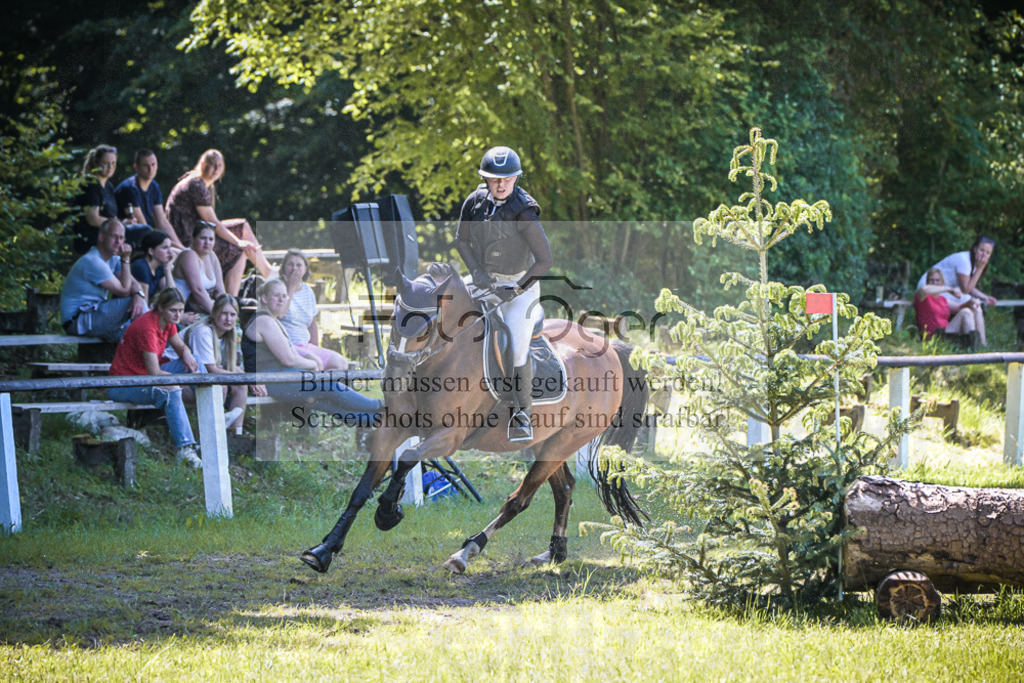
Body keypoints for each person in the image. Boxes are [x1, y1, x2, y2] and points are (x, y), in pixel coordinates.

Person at [453, 146, 553, 442]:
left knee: (516, 346)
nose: (500, 184)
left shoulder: (524, 211)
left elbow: (545, 261)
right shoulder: (474, 202)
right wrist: (476, 273)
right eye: (494, 179)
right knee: (447, 313)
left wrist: (517, 288)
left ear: (516, 178)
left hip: (519, 286)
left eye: (507, 179)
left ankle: (521, 414)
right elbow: (461, 241)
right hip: (484, 281)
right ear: (485, 179)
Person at [242, 279, 382, 425]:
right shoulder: (264, 321)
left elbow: (291, 352)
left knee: (321, 402)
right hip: (270, 380)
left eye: (284, 296)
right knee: (329, 385)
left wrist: (309, 356)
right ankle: (379, 405)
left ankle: (377, 420)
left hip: (280, 376)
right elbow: (288, 359)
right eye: (276, 295)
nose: (281, 299)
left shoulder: (272, 320)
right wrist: (312, 364)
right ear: (264, 298)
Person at [107, 288, 201, 468]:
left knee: (198, 364)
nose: (178, 315)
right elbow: (155, 373)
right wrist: (182, 380)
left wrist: (187, 354)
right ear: (160, 308)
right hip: (125, 383)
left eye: (181, 310)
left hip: (143, 377)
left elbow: (180, 347)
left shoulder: (168, 322)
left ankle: (212, 419)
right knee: (172, 388)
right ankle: (185, 448)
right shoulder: (147, 327)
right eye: (173, 310)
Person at [165, 149, 273, 296]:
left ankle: (267, 271)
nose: (216, 169)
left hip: (197, 232)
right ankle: (231, 300)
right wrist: (238, 242)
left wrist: (239, 241)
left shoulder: (200, 183)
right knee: (239, 250)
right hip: (187, 238)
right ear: (202, 164)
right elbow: (212, 222)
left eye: (219, 166)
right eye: (212, 165)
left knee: (242, 226)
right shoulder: (196, 184)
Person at [162, 293, 265, 432]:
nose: (228, 319)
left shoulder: (231, 333)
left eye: (233, 315)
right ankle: (212, 434)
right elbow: (210, 370)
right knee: (220, 385)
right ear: (214, 313)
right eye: (224, 314)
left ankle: (236, 434)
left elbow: (231, 366)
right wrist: (247, 379)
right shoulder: (203, 331)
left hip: (195, 378)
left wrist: (249, 379)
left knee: (241, 384)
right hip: (172, 375)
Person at [60, 218, 147, 342]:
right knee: (135, 308)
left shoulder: (114, 259)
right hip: (77, 321)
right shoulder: (93, 261)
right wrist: (126, 259)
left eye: (122, 238)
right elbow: (124, 291)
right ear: (101, 237)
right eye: (114, 237)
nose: (118, 242)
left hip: (94, 316)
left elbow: (133, 283)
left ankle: (155, 356)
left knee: (131, 334)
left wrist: (139, 294)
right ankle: (159, 357)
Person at [916, 236, 998, 347]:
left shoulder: (943, 298)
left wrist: (982, 298)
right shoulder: (964, 261)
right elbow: (966, 289)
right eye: (982, 250)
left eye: (988, 253)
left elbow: (966, 293)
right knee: (972, 306)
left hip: (945, 325)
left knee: (970, 309)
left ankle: (979, 345)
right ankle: (977, 345)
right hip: (934, 330)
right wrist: (980, 269)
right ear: (974, 249)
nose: (984, 255)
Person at [277, 249, 350, 370]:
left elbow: (312, 324)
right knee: (315, 364)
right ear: (284, 267)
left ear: (305, 269)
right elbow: (279, 314)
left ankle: (323, 388)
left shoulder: (307, 290)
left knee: (340, 363)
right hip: (287, 347)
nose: (295, 268)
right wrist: (290, 288)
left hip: (305, 346)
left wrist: (315, 348)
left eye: (299, 265)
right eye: (290, 264)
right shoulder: (276, 287)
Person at [73, 145, 149, 254]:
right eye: (105, 163)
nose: (110, 167)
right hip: (92, 237)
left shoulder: (108, 186)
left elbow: (112, 216)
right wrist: (120, 225)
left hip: (110, 235)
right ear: (96, 163)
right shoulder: (90, 184)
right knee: (144, 231)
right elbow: (93, 219)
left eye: (113, 163)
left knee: (143, 232)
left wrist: (124, 222)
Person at [115, 149, 186, 250]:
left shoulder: (154, 186)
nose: (150, 169)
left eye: (153, 164)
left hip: (148, 235)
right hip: (132, 240)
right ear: (136, 167)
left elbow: (162, 221)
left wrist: (181, 247)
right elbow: (142, 226)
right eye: (145, 165)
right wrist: (176, 247)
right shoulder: (129, 189)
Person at [914, 268, 984, 348]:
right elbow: (924, 289)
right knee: (965, 312)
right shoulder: (922, 296)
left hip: (947, 331)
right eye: (931, 280)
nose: (934, 283)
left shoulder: (943, 299)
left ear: (942, 283)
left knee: (972, 309)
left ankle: (981, 344)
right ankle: (972, 347)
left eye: (937, 280)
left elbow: (959, 308)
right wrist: (949, 289)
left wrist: (970, 302)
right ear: (927, 282)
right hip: (933, 336)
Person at [172, 222, 227, 315]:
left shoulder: (211, 255)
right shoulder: (189, 255)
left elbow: (220, 291)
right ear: (193, 239)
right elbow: (198, 291)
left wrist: (227, 310)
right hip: (182, 311)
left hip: (202, 307)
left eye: (211, 239)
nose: (207, 243)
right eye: (203, 238)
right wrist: (217, 316)